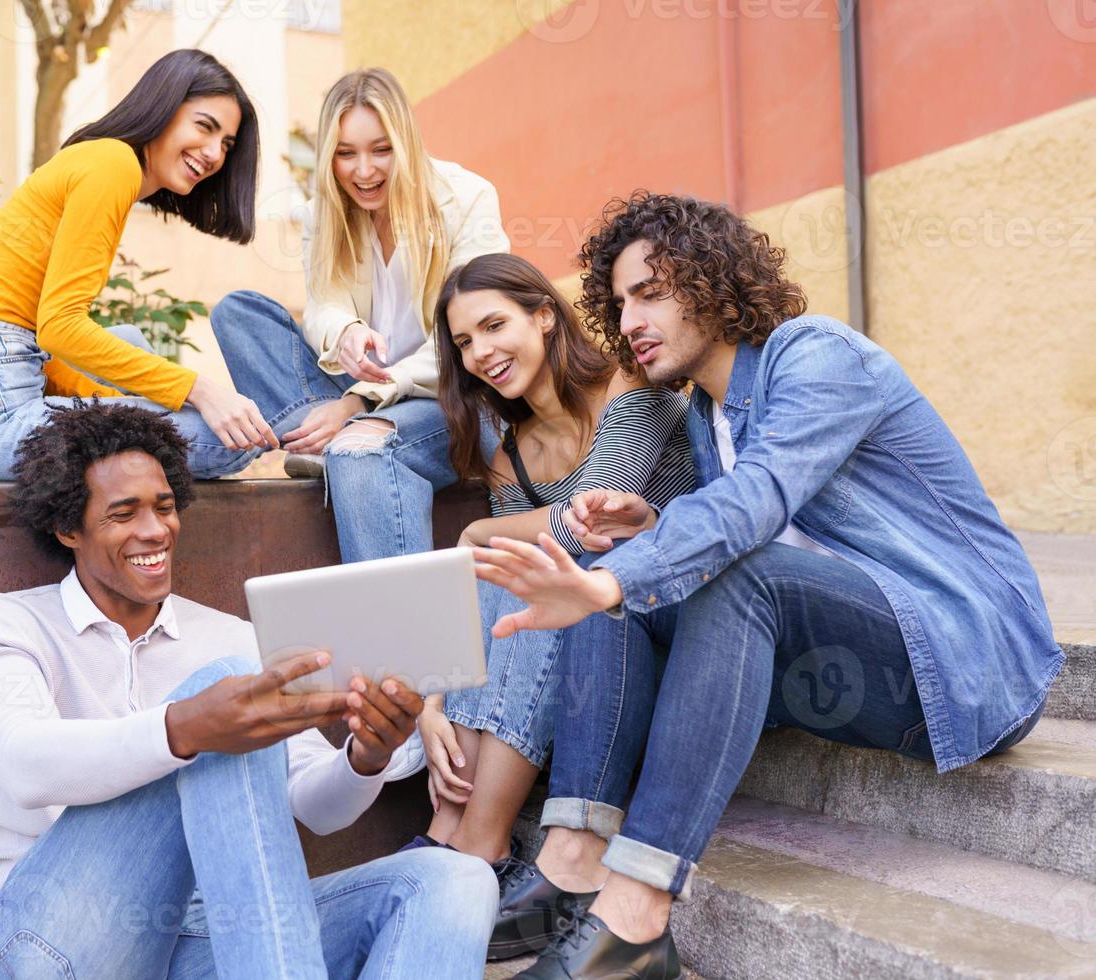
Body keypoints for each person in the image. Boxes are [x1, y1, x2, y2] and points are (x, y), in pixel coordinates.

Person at [472, 192, 1062, 980]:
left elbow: (759, 504)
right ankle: (571, 862)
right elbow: (746, 527)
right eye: (620, 303)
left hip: (965, 655)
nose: (633, 319)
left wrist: (619, 576)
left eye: (653, 291)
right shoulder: (709, 418)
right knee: (626, 586)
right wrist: (644, 534)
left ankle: (637, 917)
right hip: (842, 656)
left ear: (714, 279)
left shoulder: (816, 355)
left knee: (686, 581)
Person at [0, 401, 498, 979]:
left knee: (452, 878)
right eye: (123, 513)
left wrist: (367, 756)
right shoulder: (0, 624)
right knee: (221, 687)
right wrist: (187, 726)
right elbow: (23, 764)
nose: (155, 529)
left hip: (210, 942)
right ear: (68, 527)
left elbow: (317, 807)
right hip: (57, 942)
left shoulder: (229, 636)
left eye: (164, 507)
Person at [399, 254, 694, 961]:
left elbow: (592, 523)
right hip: (580, 655)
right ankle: (449, 831)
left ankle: (479, 842)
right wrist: (433, 703)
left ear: (543, 313)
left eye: (495, 325)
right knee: (507, 568)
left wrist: (478, 531)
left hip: (664, 621)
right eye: (465, 343)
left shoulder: (631, 390)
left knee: (546, 566)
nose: (482, 354)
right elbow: (503, 559)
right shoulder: (511, 455)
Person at [0, 49, 280, 483]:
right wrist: (200, 390)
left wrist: (127, 405)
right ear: (163, 108)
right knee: (223, 441)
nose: (214, 153)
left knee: (133, 346)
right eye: (204, 127)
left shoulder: (102, 162)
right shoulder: (113, 165)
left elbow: (47, 341)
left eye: (226, 144)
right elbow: (60, 328)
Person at [208, 67, 509, 562]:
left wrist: (358, 403)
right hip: (352, 395)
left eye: (381, 150)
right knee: (237, 313)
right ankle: (324, 439)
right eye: (345, 154)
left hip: (449, 401)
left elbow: (474, 339)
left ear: (405, 144)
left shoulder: (469, 198)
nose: (363, 171)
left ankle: (335, 445)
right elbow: (323, 304)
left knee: (361, 449)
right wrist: (345, 330)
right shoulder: (320, 213)